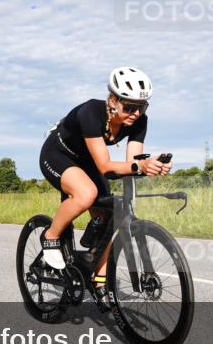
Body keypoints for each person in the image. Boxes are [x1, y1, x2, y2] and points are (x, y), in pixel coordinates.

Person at [38, 67, 172, 294]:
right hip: (58, 155)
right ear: (112, 99)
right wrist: (140, 165)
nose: (136, 113)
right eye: (129, 107)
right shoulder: (91, 111)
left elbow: (133, 162)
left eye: (142, 107)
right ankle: (50, 236)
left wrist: (152, 165)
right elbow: (105, 166)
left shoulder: (139, 121)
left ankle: (99, 280)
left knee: (113, 216)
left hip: (88, 161)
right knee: (86, 194)